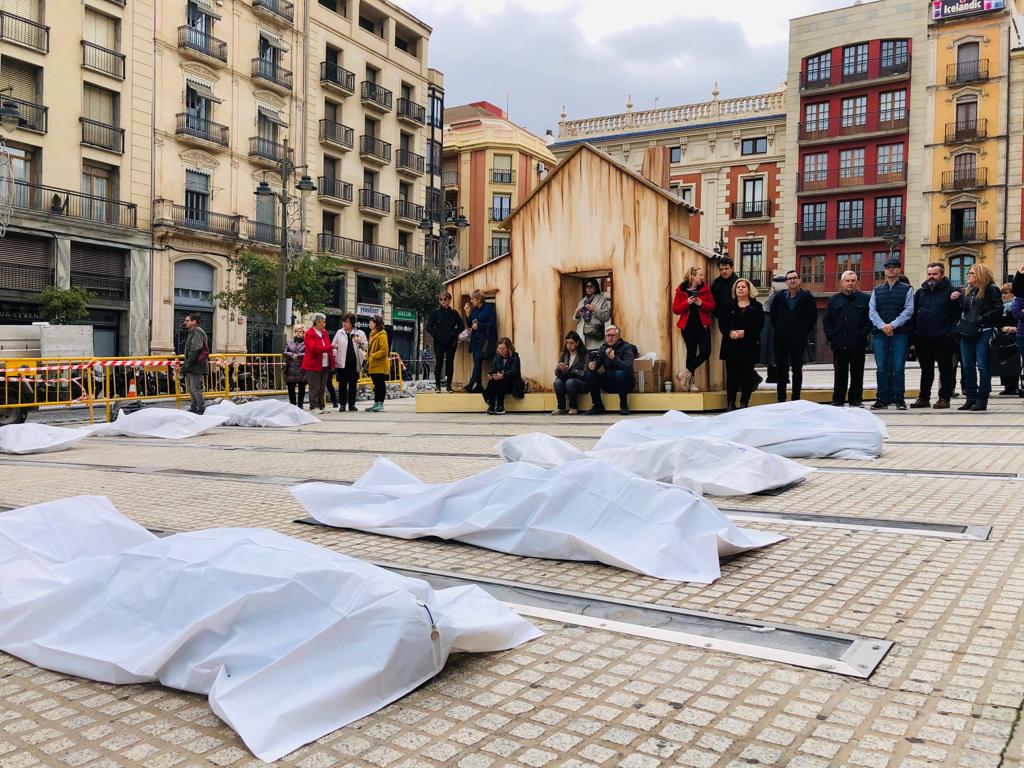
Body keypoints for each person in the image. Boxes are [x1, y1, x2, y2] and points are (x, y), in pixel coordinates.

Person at [910, 263, 962, 409]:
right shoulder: (920, 293)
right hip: (923, 338)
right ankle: (924, 398)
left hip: (944, 338)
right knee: (926, 370)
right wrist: (914, 337)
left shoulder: (951, 291)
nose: (931, 277)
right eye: (929, 274)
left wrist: (950, 334)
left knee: (945, 370)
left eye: (935, 274)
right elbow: (914, 315)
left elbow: (956, 315)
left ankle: (944, 398)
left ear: (942, 275)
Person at [868, 258, 914, 410]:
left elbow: (908, 310)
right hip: (880, 334)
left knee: (898, 367)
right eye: (888, 267)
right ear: (885, 270)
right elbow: (872, 311)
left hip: (899, 333)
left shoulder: (907, 289)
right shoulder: (877, 290)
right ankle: (882, 399)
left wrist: (893, 325)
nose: (891, 270)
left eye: (894, 267)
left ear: (899, 270)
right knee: (881, 368)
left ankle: (899, 399)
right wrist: (883, 326)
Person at [955, 263, 1002, 411]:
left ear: (980, 274)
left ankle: (982, 399)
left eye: (972, 273)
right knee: (967, 366)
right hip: (968, 331)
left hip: (984, 330)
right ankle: (970, 398)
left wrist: (981, 318)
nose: (968, 275)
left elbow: (998, 309)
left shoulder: (991, 289)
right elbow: (964, 311)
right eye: (968, 273)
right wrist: (957, 300)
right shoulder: (969, 292)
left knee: (982, 366)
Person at [822, 271, 871, 407]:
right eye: (847, 281)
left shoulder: (865, 299)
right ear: (842, 282)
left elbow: (869, 320)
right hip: (839, 344)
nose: (850, 283)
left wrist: (862, 334)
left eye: (853, 281)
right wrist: (831, 336)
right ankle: (838, 400)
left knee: (857, 374)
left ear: (856, 282)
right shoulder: (833, 300)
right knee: (840, 374)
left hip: (858, 344)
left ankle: (856, 400)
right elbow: (827, 320)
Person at [769, 270, 817, 402]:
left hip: (798, 339)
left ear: (799, 280)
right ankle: (781, 398)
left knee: (797, 369)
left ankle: (796, 398)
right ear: (786, 282)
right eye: (789, 278)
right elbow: (773, 317)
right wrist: (780, 329)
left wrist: (802, 331)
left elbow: (812, 317)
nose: (792, 280)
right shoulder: (779, 297)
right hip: (780, 339)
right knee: (781, 370)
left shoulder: (807, 297)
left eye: (795, 278)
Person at [722, 278, 764, 411]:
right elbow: (722, 322)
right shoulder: (728, 305)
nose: (740, 289)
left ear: (749, 289)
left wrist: (745, 332)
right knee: (732, 376)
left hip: (749, 345)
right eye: (738, 287)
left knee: (747, 375)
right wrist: (729, 332)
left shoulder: (757, 306)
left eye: (743, 287)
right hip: (731, 345)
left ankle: (744, 402)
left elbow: (759, 325)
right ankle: (731, 402)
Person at [672, 266, 716, 392]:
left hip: (703, 326)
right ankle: (691, 382)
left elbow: (712, 306)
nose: (702, 278)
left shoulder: (705, 289)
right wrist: (687, 302)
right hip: (687, 327)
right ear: (692, 276)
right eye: (700, 275)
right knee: (691, 353)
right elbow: (675, 309)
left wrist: (701, 303)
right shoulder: (681, 290)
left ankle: (685, 373)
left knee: (706, 351)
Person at [584, 325, 636, 415]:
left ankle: (623, 405)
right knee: (589, 374)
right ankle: (597, 406)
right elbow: (596, 364)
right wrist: (591, 365)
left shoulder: (626, 347)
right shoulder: (603, 348)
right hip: (610, 382)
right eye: (608, 335)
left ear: (618, 337)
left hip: (626, 383)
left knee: (620, 373)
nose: (610, 338)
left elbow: (628, 368)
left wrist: (614, 358)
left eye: (613, 335)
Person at [426, 292, 463, 391]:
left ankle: (448, 386)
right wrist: (435, 334)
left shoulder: (454, 313)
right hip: (439, 342)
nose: (443, 301)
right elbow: (428, 326)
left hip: (451, 342)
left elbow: (461, 326)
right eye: (441, 299)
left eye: (445, 299)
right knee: (439, 362)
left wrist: (453, 334)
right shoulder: (435, 312)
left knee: (450, 363)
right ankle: (437, 386)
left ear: (449, 300)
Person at [332, 313, 366, 412]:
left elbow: (366, 347)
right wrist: (334, 357)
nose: (344, 324)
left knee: (353, 385)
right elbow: (333, 345)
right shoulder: (339, 332)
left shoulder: (360, 333)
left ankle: (352, 405)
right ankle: (342, 405)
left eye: (347, 322)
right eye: (343, 322)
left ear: (352, 323)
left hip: (354, 363)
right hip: (342, 363)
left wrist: (360, 342)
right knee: (342, 385)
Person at [464, 290, 497, 393]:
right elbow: (470, 324)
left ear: (478, 299)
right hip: (475, 341)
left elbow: (492, 324)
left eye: (473, 298)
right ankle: (478, 386)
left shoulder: (489, 308)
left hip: (485, 340)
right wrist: (467, 314)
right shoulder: (473, 310)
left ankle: (471, 384)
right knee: (477, 363)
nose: (471, 300)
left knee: (478, 361)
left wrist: (479, 326)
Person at [301, 313, 335, 414]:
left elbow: (328, 347)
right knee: (315, 386)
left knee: (322, 386)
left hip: (324, 363)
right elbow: (313, 348)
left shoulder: (324, 333)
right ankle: (313, 406)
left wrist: (332, 363)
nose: (325, 323)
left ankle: (321, 405)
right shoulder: (309, 333)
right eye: (323, 321)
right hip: (313, 364)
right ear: (317, 322)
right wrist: (330, 347)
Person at [482, 337, 522, 415]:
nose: (501, 351)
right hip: (500, 382)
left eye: (503, 348)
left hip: (512, 383)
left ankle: (500, 406)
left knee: (500, 382)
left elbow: (515, 372)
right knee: (491, 382)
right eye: (499, 348)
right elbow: (493, 368)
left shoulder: (515, 357)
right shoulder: (497, 358)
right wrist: (490, 374)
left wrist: (503, 375)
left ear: (508, 348)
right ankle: (492, 406)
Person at [552, 330, 588, 415]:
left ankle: (573, 407)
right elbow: (557, 373)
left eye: (571, 343)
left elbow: (585, 373)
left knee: (570, 382)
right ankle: (561, 407)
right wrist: (559, 369)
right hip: (566, 379)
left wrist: (571, 371)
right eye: (567, 343)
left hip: (580, 383)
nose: (569, 346)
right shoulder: (564, 354)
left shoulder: (584, 354)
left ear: (577, 342)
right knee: (557, 382)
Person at [180, 313, 209, 415]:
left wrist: (187, 364)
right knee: (191, 388)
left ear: (194, 322)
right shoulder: (192, 332)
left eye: (187, 321)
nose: (185, 322)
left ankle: (201, 408)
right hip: (192, 365)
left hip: (196, 365)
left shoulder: (197, 332)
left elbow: (195, 349)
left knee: (195, 388)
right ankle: (194, 407)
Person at [995, 283, 1021, 396]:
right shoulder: (1001, 307)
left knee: (1013, 362)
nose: (1003, 295)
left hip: (1015, 336)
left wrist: (1014, 328)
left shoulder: (1016, 305)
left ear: (1013, 294)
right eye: (1002, 293)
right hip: (1003, 336)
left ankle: (1014, 385)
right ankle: (1007, 386)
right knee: (1003, 361)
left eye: (1006, 293)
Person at [761, 274, 787, 383]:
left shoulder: (773, 297)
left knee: (775, 355)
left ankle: (776, 376)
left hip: (777, 331)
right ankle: (776, 376)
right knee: (774, 355)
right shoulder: (778, 296)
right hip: (774, 330)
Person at [574, 278, 612, 352]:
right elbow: (575, 318)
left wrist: (594, 310)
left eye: (591, 286)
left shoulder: (601, 300)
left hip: (595, 335)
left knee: (595, 359)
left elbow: (606, 317)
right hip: (583, 335)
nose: (589, 288)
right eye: (587, 286)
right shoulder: (582, 301)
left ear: (596, 287)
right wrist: (577, 315)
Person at [365, 315, 390, 412]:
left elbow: (384, 350)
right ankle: (376, 403)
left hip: (380, 365)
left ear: (376, 324)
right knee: (376, 385)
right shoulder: (372, 334)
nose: (369, 324)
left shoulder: (382, 334)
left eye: (371, 322)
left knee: (380, 384)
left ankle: (380, 404)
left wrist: (372, 356)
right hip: (373, 364)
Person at [284, 324, 306, 409]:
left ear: (303, 333)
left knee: (301, 387)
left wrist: (298, 355)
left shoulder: (306, 343)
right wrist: (291, 354)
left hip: (302, 368)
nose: (298, 333)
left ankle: (300, 404)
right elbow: (284, 352)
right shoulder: (289, 342)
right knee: (291, 387)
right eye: (296, 331)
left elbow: (308, 353)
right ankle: (292, 404)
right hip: (291, 367)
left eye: (300, 331)